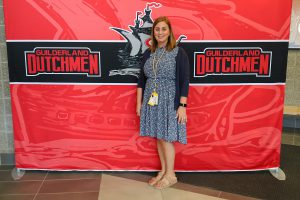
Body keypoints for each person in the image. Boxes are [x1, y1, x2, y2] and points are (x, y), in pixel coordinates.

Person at [136, 16, 190, 189]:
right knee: (158, 137)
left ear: (169, 32)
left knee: (166, 137)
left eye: (163, 29)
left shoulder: (178, 52)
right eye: (157, 29)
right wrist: (139, 104)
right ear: (153, 32)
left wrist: (182, 106)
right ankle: (164, 170)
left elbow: (184, 80)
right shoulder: (148, 53)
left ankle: (171, 175)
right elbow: (141, 81)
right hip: (151, 101)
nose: (160, 32)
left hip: (169, 100)